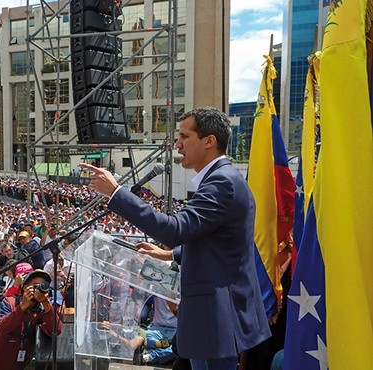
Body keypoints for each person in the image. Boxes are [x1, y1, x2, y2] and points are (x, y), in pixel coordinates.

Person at [80, 107, 271, 370]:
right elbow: (218, 242)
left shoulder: (221, 183)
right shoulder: (221, 179)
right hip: (211, 317)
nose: (178, 144)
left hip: (215, 317)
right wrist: (169, 254)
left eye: (184, 136)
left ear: (209, 141)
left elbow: (175, 229)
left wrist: (116, 193)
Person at [0, 270, 62, 370]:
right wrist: (22, 308)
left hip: (20, 364)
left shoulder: (42, 309)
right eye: (35, 286)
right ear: (25, 288)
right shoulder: (10, 302)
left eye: (43, 286)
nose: (39, 290)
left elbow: (56, 330)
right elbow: (1, 328)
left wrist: (47, 305)